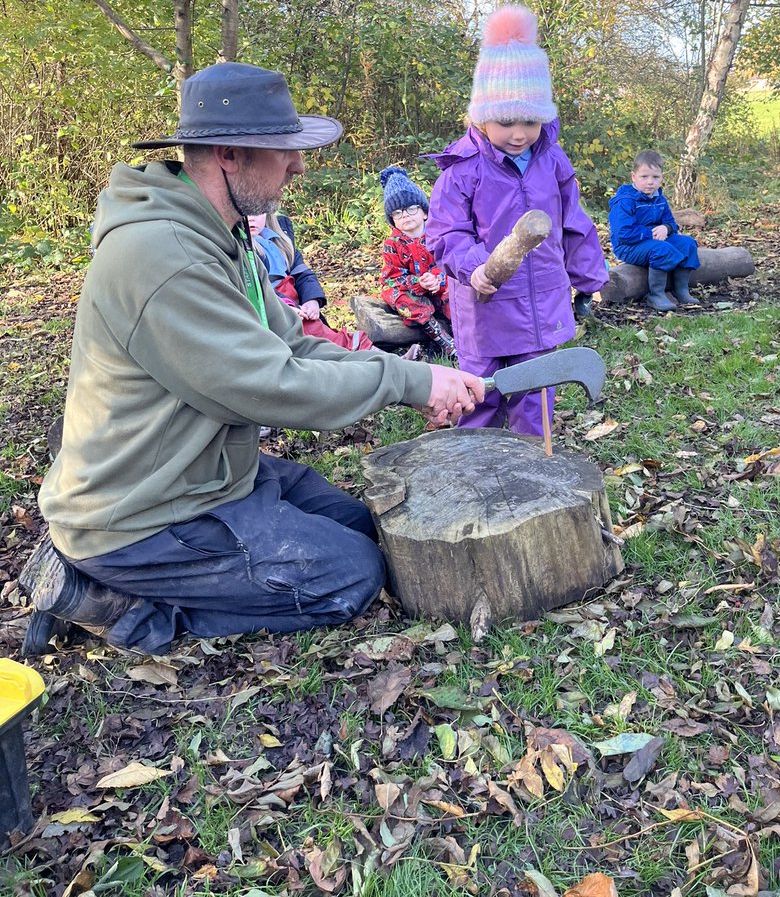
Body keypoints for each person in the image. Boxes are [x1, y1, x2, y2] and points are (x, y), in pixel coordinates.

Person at [18, 62, 484, 658]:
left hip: (209, 471)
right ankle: (116, 604)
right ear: (229, 155)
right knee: (350, 576)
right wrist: (404, 380)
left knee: (366, 529)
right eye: (282, 151)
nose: (297, 165)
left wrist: (423, 377)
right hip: (143, 510)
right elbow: (270, 385)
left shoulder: (223, 233)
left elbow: (290, 343)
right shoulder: (164, 255)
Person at [425, 5, 608, 435]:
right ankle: (479, 463)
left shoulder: (553, 161)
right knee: (481, 395)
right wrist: (474, 267)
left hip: (542, 302)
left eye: (530, 120)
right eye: (506, 121)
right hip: (485, 306)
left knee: (537, 391)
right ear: (480, 116)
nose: (520, 133)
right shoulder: (463, 170)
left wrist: (588, 280)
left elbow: (574, 223)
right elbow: (445, 232)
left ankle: (531, 466)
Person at [248, 212, 375, 351]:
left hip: (300, 308)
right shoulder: (242, 248)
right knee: (322, 343)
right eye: (245, 212)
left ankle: (380, 357)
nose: (251, 218)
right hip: (275, 310)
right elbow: (256, 288)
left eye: (257, 212)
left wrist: (312, 299)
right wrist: (284, 307)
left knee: (328, 336)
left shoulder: (281, 241)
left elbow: (303, 275)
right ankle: (373, 357)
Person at [608, 150, 701, 312]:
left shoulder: (659, 199)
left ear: (661, 178)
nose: (650, 182)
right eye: (644, 177)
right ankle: (656, 294)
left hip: (652, 242)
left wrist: (667, 227)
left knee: (687, 244)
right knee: (662, 249)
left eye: (655, 177)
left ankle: (681, 289)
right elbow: (623, 233)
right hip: (628, 246)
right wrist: (650, 233)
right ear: (633, 177)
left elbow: (671, 223)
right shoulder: (625, 201)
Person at [379, 166, 455, 358]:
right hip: (412, 290)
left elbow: (449, 262)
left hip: (440, 284)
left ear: (424, 212)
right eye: (397, 212)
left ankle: (464, 335)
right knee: (402, 299)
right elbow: (391, 277)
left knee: (456, 294)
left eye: (411, 209)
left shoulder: (438, 235)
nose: (405, 215)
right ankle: (445, 343)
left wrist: (437, 279)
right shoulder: (392, 244)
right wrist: (417, 283)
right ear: (393, 220)